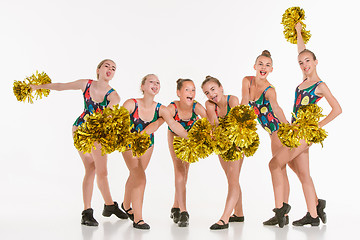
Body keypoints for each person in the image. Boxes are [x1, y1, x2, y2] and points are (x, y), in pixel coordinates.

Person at [30, 59, 128, 227]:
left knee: (102, 172)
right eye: (107, 66)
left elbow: (108, 115)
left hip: (98, 134)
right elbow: (61, 86)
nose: (110, 69)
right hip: (81, 130)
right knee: (91, 167)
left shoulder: (114, 95)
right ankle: (87, 212)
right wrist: (37, 87)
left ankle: (109, 205)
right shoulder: (86, 84)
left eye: (114, 68)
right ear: (98, 69)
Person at [268, 22, 342, 227]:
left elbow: (337, 109)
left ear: (316, 62)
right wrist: (299, 32)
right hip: (294, 132)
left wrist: (318, 125)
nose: (304, 65)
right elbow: (302, 50)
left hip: (303, 134)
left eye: (308, 61)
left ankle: (283, 209)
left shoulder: (320, 85)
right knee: (303, 174)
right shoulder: (304, 78)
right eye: (301, 63)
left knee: (276, 163)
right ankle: (314, 211)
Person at [121, 74, 189, 230]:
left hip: (148, 145)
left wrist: (190, 137)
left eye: (158, 83)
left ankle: (126, 204)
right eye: (151, 82)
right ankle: (138, 219)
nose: (155, 84)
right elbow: (118, 122)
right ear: (143, 86)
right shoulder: (131, 104)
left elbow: (173, 124)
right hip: (129, 144)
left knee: (135, 174)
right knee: (140, 177)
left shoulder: (161, 109)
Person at [240, 50, 291, 227]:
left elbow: (276, 109)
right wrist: (239, 123)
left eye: (267, 65)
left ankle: (281, 211)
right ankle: (282, 211)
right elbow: (244, 102)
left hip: (278, 130)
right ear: (254, 66)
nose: (263, 67)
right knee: (280, 169)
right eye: (260, 64)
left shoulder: (270, 91)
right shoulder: (247, 81)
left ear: (271, 69)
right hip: (270, 132)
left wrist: (288, 126)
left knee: (279, 169)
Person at [201, 76, 243, 230]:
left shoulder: (233, 100)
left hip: (237, 141)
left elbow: (236, 122)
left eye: (213, 89)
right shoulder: (209, 104)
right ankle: (239, 213)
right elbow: (213, 121)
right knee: (232, 179)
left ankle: (224, 218)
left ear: (221, 87)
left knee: (233, 179)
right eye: (207, 92)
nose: (211, 94)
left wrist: (235, 142)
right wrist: (216, 135)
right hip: (221, 142)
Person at [167, 78, 207, 227]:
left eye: (193, 90)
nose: (191, 93)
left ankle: (175, 206)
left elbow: (208, 119)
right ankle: (184, 212)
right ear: (178, 92)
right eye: (187, 90)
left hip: (190, 138)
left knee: (185, 171)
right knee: (179, 170)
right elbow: (161, 118)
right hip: (175, 137)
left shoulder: (196, 106)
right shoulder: (172, 107)